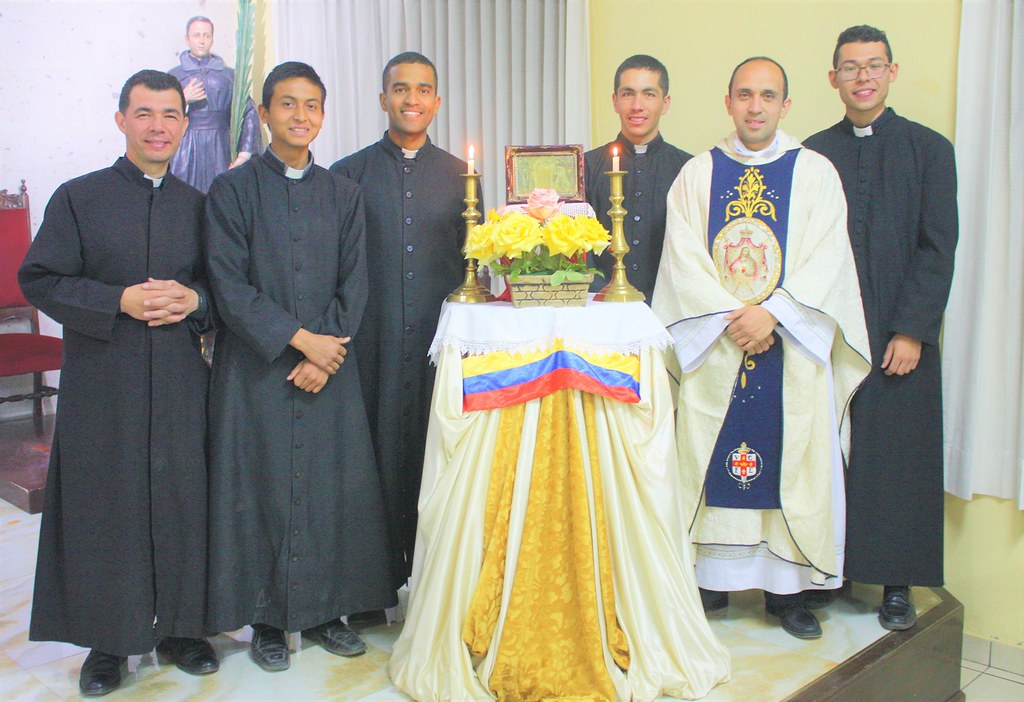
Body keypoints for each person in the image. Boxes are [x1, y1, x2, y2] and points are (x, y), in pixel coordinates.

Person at [652, 57, 871, 639]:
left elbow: (828, 259)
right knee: (705, 451)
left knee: (792, 457)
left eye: (767, 96)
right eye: (744, 95)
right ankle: (710, 579)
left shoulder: (816, 173)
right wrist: (734, 319)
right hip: (719, 341)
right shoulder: (698, 175)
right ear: (728, 102)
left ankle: (790, 591)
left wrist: (773, 314)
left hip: (790, 347)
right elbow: (682, 261)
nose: (755, 106)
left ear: (785, 105)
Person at [19, 69, 217, 696]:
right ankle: (109, 642)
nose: (159, 126)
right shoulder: (78, 198)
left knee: (185, 501)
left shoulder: (199, 204)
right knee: (108, 509)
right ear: (121, 120)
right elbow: (41, 279)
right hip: (107, 381)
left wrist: (195, 300)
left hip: (183, 380)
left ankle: (184, 627)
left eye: (170, 115)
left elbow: (222, 291)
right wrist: (118, 301)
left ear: (185, 125)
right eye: (145, 114)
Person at [204, 61, 395, 672]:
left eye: (312, 105)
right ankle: (266, 617)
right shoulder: (230, 191)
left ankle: (325, 612)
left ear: (324, 114)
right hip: (257, 371)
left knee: (331, 489)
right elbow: (228, 285)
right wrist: (298, 341)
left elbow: (355, 281)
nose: (300, 116)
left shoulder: (344, 193)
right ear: (263, 113)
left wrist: (327, 350)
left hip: (328, 370)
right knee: (259, 488)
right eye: (287, 104)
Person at [804, 25, 957, 630]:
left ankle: (897, 583)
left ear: (891, 72)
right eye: (850, 67)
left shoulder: (930, 149)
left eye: (873, 66)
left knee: (898, 456)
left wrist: (913, 329)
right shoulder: (812, 154)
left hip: (900, 333)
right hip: (830, 333)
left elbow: (937, 246)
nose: (862, 77)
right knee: (827, 455)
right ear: (833, 77)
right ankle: (826, 572)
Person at [330, 51, 469, 590]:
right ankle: (368, 587)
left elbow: (474, 268)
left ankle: (438, 582)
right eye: (401, 89)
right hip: (370, 346)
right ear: (383, 98)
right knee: (368, 464)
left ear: (436, 101)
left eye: (423, 90)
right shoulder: (347, 176)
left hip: (439, 347)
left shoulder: (463, 177)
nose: (412, 99)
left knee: (437, 459)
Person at [585, 54, 691, 298]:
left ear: (666, 103)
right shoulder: (586, 167)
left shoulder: (688, 169)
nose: (637, 106)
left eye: (649, 94)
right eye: (628, 93)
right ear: (615, 101)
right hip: (600, 310)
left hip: (669, 311)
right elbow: (579, 252)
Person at [168, 15, 262, 192]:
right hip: (186, 147)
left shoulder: (229, 76)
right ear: (187, 39)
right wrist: (181, 99)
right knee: (185, 195)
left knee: (222, 194)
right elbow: (159, 113)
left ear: (212, 38)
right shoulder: (174, 76)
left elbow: (248, 111)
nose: (201, 41)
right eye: (196, 35)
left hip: (220, 145)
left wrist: (244, 152)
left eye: (206, 35)